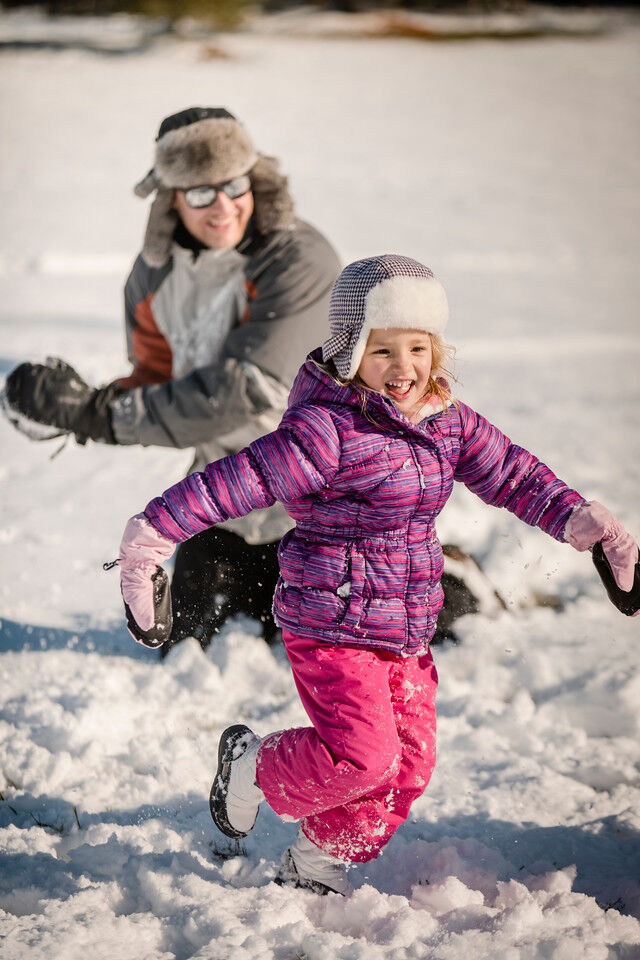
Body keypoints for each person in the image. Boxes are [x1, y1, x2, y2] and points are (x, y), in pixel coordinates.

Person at [83, 255, 640, 893]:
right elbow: (240, 481)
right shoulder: (327, 430)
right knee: (362, 756)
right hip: (331, 622)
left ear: (437, 350)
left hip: (404, 632)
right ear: (351, 350)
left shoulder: (446, 422)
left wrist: (583, 522)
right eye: (382, 350)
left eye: (418, 348)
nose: (403, 368)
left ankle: (317, 859)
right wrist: (154, 533)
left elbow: (512, 473)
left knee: (408, 767)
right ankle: (253, 766)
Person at [2, 106, 341, 653]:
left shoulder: (299, 257)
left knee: (358, 645)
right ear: (171, 195)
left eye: (234, 184)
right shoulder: (153, 276)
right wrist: (83, 406)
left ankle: (456, 577)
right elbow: (158, 378)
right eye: (201, 193)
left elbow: (251, 387)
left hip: (324, 504)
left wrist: (104, 416)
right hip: (226, 499)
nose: (224, 206)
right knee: (180, 648)